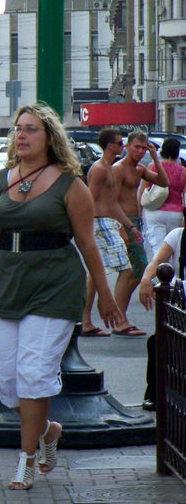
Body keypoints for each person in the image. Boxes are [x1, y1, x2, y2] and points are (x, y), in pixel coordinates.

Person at [0, 103, 124, 491]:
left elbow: (86, 242)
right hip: (6, 286)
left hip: (54, 285)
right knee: (9, 381)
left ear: (49, 136)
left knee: (34, 375)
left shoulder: (69, 183)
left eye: (30, 129)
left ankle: (25, 460)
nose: (21, 135)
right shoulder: (0, 179)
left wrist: (105, 297)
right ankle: (49, 431)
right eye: (18, 129)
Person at [81, 128, 145, 337]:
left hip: (108, 222)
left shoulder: (108, 168)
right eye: (120, 143)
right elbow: (90, 200)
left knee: (95, 272)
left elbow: (112, 203)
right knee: (126, 270)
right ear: (110, 146)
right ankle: (117, 320)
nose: (122, 145)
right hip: (100, 223)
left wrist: (130, 226)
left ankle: (86, 321)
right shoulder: (99, 169)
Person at [111, 131, 168, 334]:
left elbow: (164, 182)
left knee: (132, 270)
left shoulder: (140, 168)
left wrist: (156, 158)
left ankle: (121, 317)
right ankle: (119, 319)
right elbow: (112, 200)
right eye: (137, 147)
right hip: (124, 222)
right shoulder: (118, 169)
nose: (140, 151)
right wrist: (123, 227)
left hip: (134, 222)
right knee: (135, 269)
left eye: (143, 148)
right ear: (127, 146)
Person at [137, 215, 186, 412]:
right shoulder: (178, 236)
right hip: (179, 305)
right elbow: (157, 261)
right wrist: (145, 280)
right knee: (157, 342)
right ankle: (154, 394)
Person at [140, 138, 185, 256]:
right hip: (176, 212)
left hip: (155, 211)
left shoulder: (152, 166)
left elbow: (143, 190)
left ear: (162, 151)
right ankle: (174, 273)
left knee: (158, 248)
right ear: (177, 153)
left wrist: (139, 212)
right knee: (174, 247)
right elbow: (184, 194)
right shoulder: (183, 171)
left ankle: (161, 272)